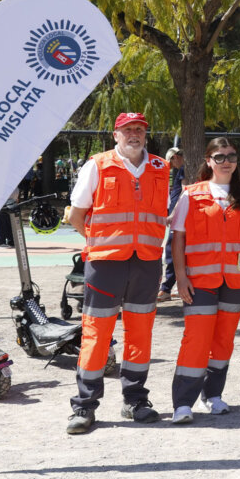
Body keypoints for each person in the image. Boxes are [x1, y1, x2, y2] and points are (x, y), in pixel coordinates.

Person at [64, 112, 170, 434]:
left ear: (145, 134)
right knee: (96, 335)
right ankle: (84, 406)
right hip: (105, 265)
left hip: (146, 263)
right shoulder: (97, 165)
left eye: (140, 129)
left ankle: (135, 401)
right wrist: (98, 243)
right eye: (128, 130)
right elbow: (77, 215)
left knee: (140, 334)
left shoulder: (161, 167)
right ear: (116, 135)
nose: (134, 134)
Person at [169, 138, 240, 423]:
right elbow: (178, 239)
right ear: (209, 160)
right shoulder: (191, 194)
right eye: (220, 157)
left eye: (231, 156)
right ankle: (183, 403)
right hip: (199, 281)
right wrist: (180, 277)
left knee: (223, 341)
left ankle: (213, 395)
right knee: (197, 340)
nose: (226, 162)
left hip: (236, 281)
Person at [157, 147, 186, 302]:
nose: (171, 166)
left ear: (175, 157)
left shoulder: (183, 170)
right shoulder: (182, 169)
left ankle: (166, 288)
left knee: (172, 250)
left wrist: (173, 213)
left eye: (171, 162)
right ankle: (172, 285)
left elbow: (184, 192)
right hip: (180, 216)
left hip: (179, 217)